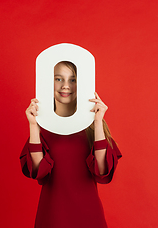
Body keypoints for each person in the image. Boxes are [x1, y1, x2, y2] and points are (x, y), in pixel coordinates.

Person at [20, 61, 122, 228]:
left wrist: (97, 122)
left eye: (73, 80)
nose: (65, 86)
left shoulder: (93, 127)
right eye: (58, 79)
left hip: (88, 216)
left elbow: (102, 170)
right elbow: (38, 172)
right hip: (52, 216)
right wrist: (33, 125)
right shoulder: (42, 127)